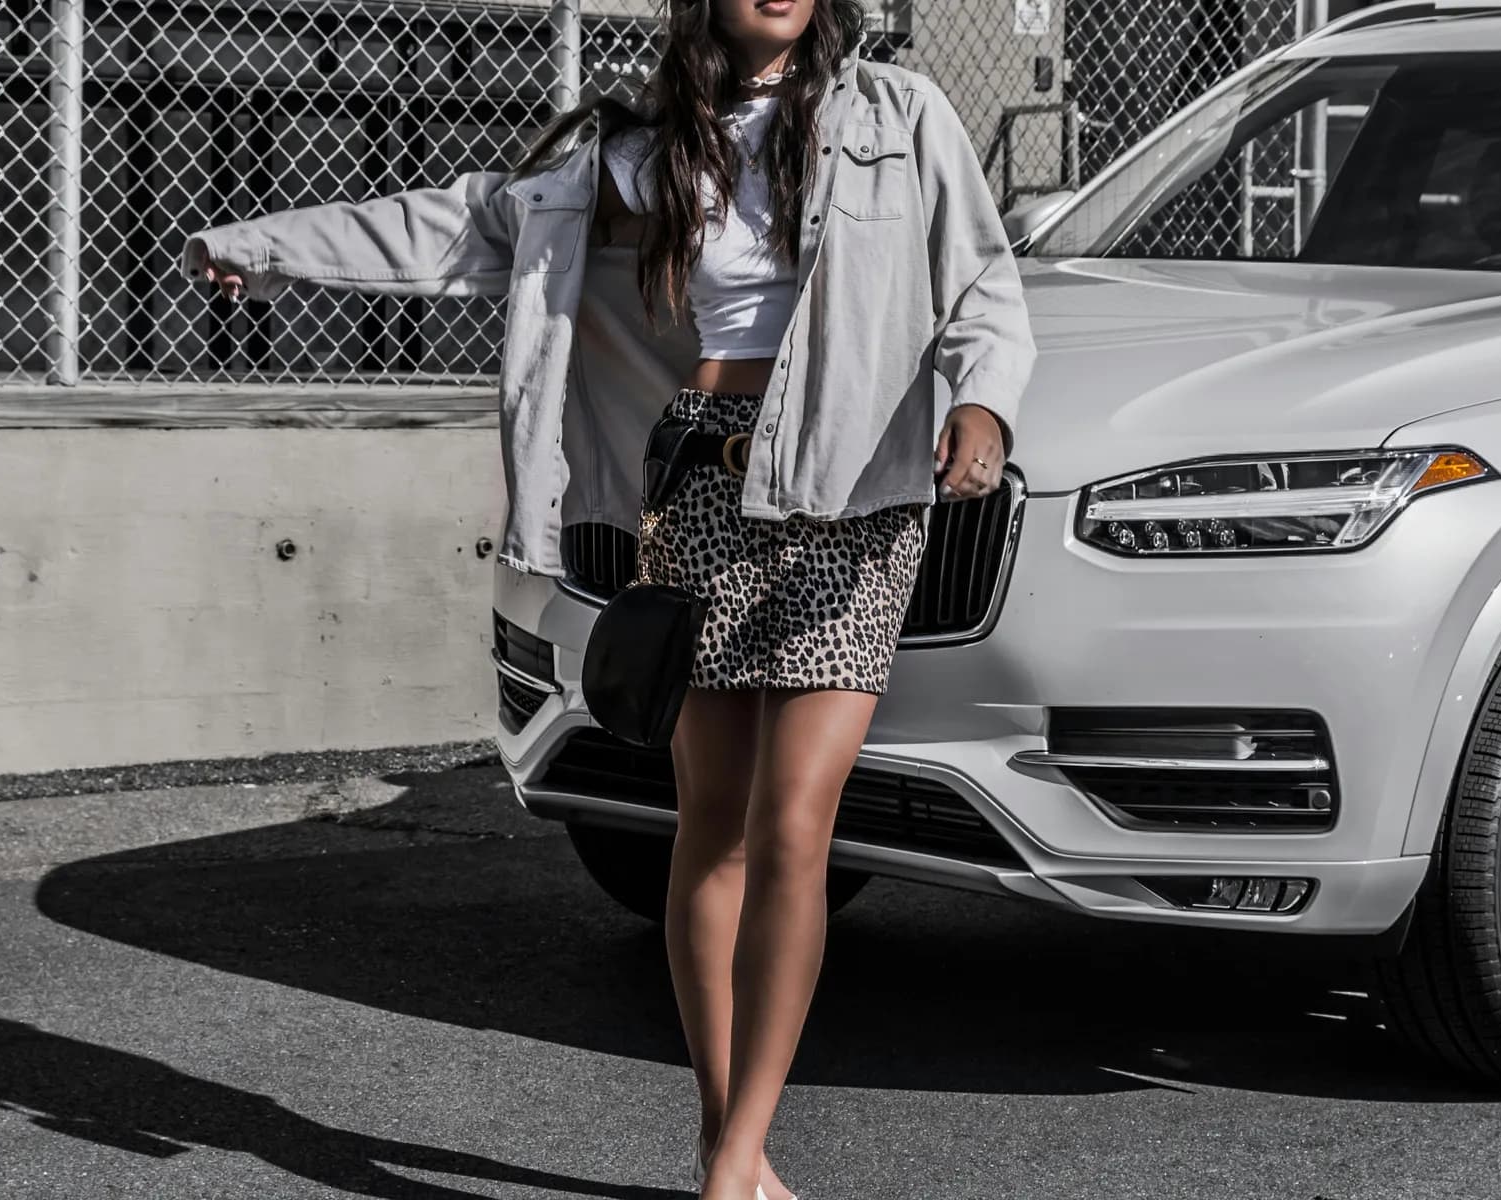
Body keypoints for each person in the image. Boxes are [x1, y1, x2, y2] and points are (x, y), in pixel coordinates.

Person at [178, 0, 1034, 1195]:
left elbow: (983, 286)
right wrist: (262, 247)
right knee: (717, 827)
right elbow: (457, 224)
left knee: (798, 826)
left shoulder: (903, 116)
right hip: (699, 493)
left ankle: (738, 1158)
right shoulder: (633, 152)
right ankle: (723, 1134)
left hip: (856, 505)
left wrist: (982, 404)